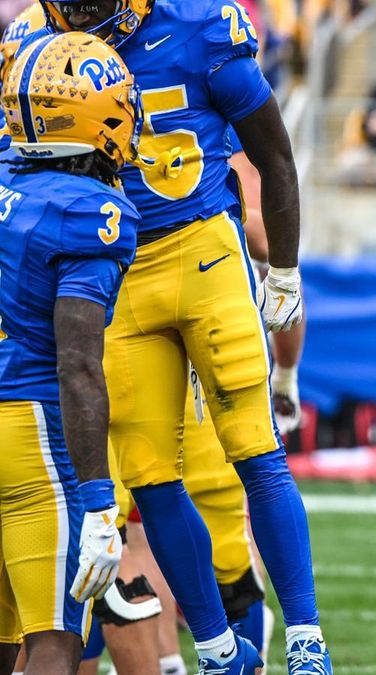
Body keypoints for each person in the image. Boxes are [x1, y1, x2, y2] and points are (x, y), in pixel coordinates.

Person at [37, 0, 330, 671]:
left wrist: (283, 266)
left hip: (204, 249)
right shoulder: (39, 43)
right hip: (115, 270)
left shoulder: (199, 25)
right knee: (149, 474)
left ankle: (307, 636)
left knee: (255, 448)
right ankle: (218, 648)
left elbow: (272, 150)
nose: (80, 11)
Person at [0, 30, 141, 674]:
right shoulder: (91, 211)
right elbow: (77, 362)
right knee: (55, 641)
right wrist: (96, 499)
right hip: (30, 431)